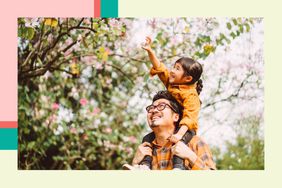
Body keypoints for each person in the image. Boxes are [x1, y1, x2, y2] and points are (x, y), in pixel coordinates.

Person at [140, 36, 203, 169]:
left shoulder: (192, 96)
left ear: (187, 78)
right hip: (176, 126)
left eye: (177, 69)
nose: (172, 71)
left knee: (180, 144)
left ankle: (178, 167)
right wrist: (150, 51)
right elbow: (160, 68)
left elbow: (189, 117)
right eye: (174, 67)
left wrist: (179, 135)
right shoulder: (173, 83)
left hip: (186, 129)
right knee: (146, 139)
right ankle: (144, 166)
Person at [123, 91, 216, 170]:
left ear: (176, 117)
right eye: (151, 108)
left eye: (161, 106)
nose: (154, 110)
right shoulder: (145, 150)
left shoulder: (195, 142)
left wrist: (191, 157)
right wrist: (135, 163)